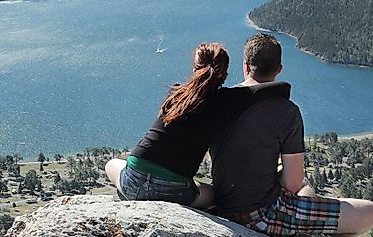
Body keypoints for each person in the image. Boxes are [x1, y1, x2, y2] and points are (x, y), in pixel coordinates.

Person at [209, 32, 373, 237]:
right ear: (279, 70)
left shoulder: (217, 101)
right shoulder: (287, 111)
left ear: (246, 66)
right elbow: (291, 181)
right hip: (262, 216)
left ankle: (301, 236)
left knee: (305, 188)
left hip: (221, 204)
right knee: (371, 212)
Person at [105, 42, 288, 208]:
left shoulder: (177, 93)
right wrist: (283, 89)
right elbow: (257, 91)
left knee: (111, 164)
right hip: (173, 192)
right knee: (215, 195)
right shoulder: (227, 101)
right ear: (224, 73)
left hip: (133, 180)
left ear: (195, 67)